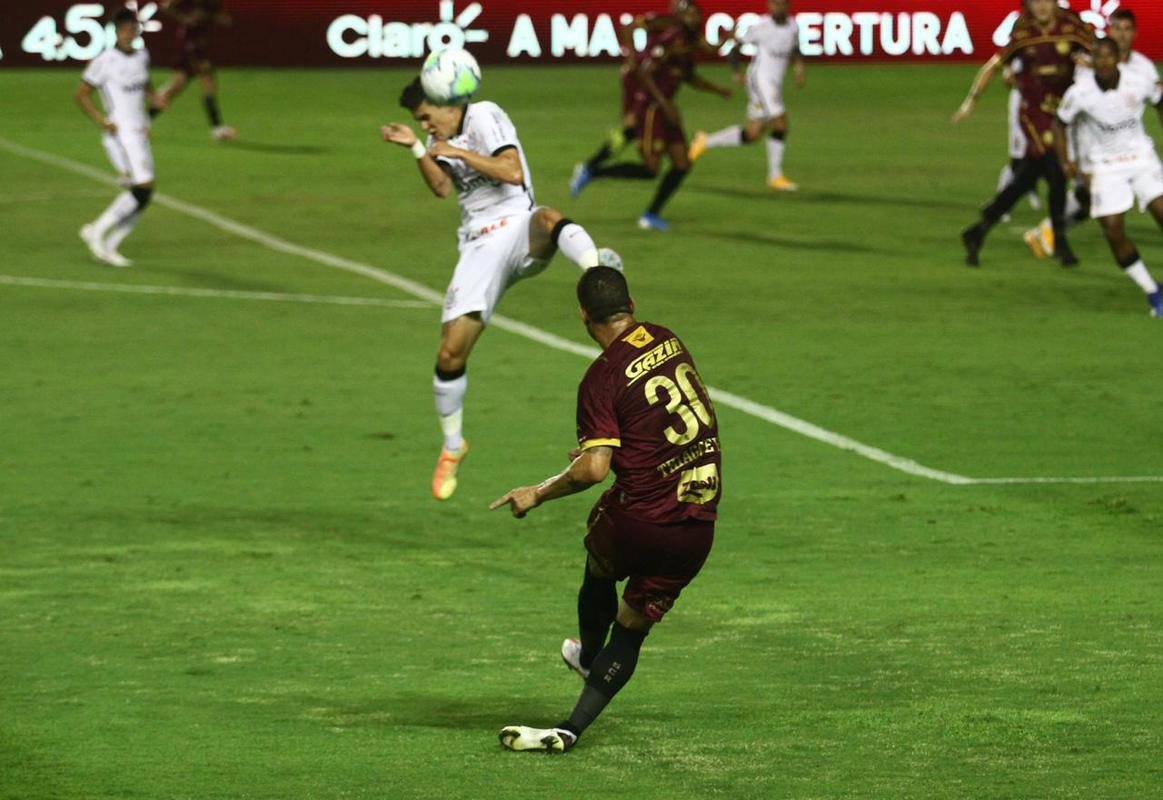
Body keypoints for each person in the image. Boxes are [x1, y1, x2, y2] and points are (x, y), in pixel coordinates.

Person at [492, 266, 721, 753]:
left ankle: (590, 656)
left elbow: (594, 470)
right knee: (634, 627)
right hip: (698, 524)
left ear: (582, 315)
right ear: (631, 305)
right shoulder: (668, 339)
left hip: (639, 520)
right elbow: (666, 419)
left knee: (599, 567)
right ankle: (570, 729)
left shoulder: (601, 377)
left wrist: (538, 490)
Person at [382, 79, 621, 501]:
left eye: (425, 116)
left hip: (515, 227)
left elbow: (512, 171)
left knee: (547, 217)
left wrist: (457, 151)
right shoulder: (437, 137)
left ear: (445, 103)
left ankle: (597, 271)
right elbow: (441, 187)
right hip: (477, 245)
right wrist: (418, 148)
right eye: (418, 121)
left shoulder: (484, 116)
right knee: (450, 353)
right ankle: (453, 444)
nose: (424, 124)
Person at [569, 0, 732, 231]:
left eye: (696, 15)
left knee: (682, 164)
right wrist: (634, 60)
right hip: (654, 108)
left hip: (666, 107)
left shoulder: (689, 43)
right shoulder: (669, 36)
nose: (693, 19)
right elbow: (645, 71)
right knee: (649, 166)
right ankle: (593, 169)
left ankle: (650, 214)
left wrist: (717, 90)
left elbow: (690, 73)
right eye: (689, 14)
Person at [953, 0, 1093, 267]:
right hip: (1034, 114)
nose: (1041, 7)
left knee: (1025, 180)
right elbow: (994, 66)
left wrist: (1090, 63)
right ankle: (1061, 243)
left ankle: (978, 231)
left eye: (1046, 1)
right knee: (1056, 171)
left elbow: (1099, 54)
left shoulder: (1072, 26)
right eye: (1035, 1)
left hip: (1061, 112)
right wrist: (971, 101)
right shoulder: (1023, 32)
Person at [1023, 7, 1160, 259]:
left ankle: (1047, 231)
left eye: (1126, 29)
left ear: (1134, 34)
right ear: (1109, 31)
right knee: (1089, 198)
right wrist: (1073, 158)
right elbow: (1075, 109)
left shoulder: (1144, 68)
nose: (1121, 34)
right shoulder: (1092, 64)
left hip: (1129, 146)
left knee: (1090, 201)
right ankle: (1048, 231)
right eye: (1116, 28)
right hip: (1090, 144)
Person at [1053, 36, 1163, 317]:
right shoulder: (1080, 92)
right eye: (1098, 57)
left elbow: (1159, 100)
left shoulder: (1138, 81)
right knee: (1113, 232)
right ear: (1093, 60)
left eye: (1108, 57)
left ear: (1117, 59)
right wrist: (1066, 161)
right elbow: (1059, 123)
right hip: (1104, 165)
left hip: (1140, 157)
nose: (1103, 63)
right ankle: (1153, 291)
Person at [76, 7, 164, 268]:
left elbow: (144, 82)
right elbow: (81, 94)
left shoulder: (142, 56)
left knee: (144, 194)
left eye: (133, 29)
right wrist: (101, 120)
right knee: (142, 188)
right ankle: (97, 232)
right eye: (124, 29)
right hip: (121, 135)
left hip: (139, 132)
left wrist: (153, 96)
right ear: (116, 31)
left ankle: (111, 243)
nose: (129, 33)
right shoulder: (105, 60)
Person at [688, 0, 806, 191]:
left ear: (788, 5)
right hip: (761, 81)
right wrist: (736, 71)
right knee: (781, 124)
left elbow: (794, 49)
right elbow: (734, 48)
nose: (777, 7)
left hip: (774, 83)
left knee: (753, 134)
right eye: (774, 4)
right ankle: (775, 176)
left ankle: (704, 141)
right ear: (769, 6)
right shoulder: (761, 26)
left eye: (781, 4)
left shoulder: (793, 26)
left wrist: (799, 69)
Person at [156, 0, 236, 141]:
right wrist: (185, 18)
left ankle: (141, 122)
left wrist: (215, 18)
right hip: (188, 43)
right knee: (207, 84)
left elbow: (220, 17)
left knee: (177, 86)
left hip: (198, 43)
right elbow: (166, 6)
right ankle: (217, 129)